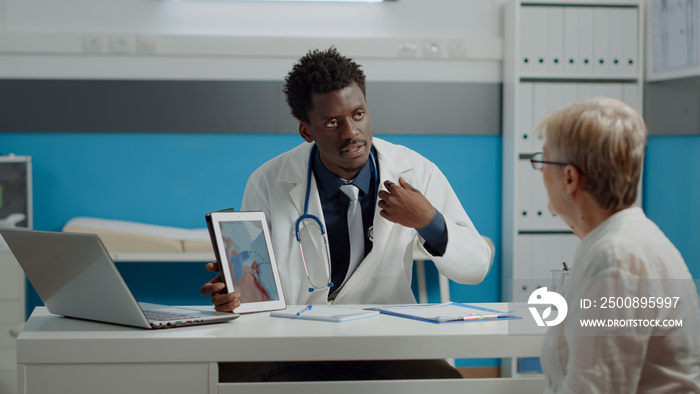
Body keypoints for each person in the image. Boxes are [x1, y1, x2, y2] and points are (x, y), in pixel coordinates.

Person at [200, 47, 492, 381]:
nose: (351, 132)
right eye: (332, 122)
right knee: (230, 378)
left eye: (358, 115)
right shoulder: (268, 181)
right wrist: (237, 294)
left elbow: (476, 268)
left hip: (385, 343)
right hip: (296, 344)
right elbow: (255, 282)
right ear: (307, 131)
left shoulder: (415, 173)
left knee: (445, 385)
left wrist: (429, 221)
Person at [533, 97, 700, 393]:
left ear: (570, 178)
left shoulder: (615, 258)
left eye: (543, 160)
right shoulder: (625, 240)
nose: (541, 171)